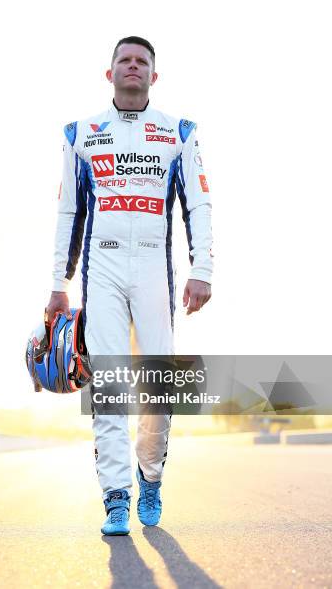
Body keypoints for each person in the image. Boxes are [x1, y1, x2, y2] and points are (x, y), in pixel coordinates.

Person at [45, 36, 213, 536]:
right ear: (110, 72)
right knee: (112, 388)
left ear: (153, 77)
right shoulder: (82, 132)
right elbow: (68, 211)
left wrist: (202, 267)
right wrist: (59, 281)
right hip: (103, 270)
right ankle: (116, 498)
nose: (133, 66)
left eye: (143, 62)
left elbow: (198, 204)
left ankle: (151, 477)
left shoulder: (178, 132)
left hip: (153, 274)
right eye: (125, 60)